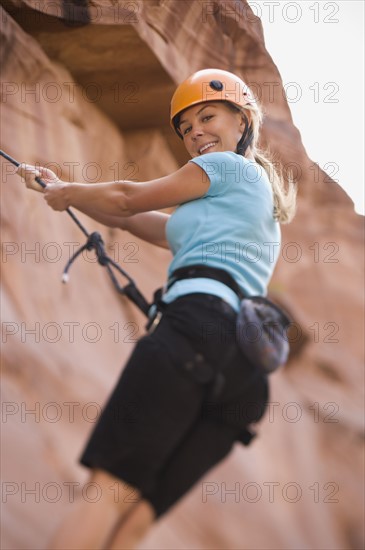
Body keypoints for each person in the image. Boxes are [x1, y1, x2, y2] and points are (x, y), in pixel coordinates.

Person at [18, 68, 296, 550]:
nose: (196, 134)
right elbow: (135, 221)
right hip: (243, 378)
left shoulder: (228, 168)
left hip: (195, 332)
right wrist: (60, 190)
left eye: (207, 116)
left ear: (242, 120)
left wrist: (68, 194)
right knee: (136, 519)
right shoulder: (243, 207)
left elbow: (127, 197)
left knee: (108, 495)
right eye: (186, 129)